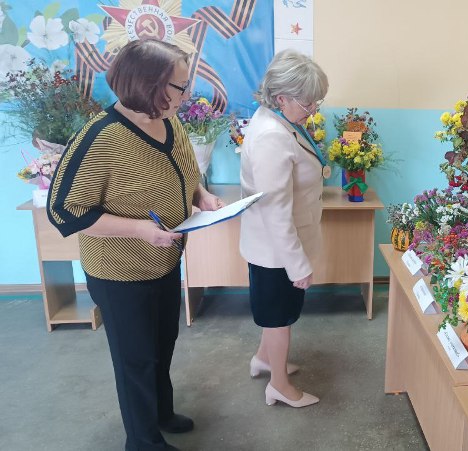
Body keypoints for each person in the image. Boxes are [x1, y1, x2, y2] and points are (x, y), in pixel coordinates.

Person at [47, 39, 224, 451]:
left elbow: (186, 171)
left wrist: (202, 196)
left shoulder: (169, 121)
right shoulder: (99, 139)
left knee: (162, 346)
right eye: (180, 86)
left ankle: (160, 413)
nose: (187, 94)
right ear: (148, 85)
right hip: (120, 274)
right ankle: (142, 442)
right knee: (136, 359)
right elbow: (64, 210)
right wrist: (141, 230)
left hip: (164, 261)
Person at [239, 49, 329, 408]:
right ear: (281, 98)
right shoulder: (271, 137)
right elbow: (275, 210)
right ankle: (278, 385)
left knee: (277, 314)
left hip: (278, 244)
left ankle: (264, 359)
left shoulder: (278, 121)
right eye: (308, 102)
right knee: (279, 319)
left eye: (317, 100)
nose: (314, 109)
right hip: (277, 251)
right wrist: (298, 265)